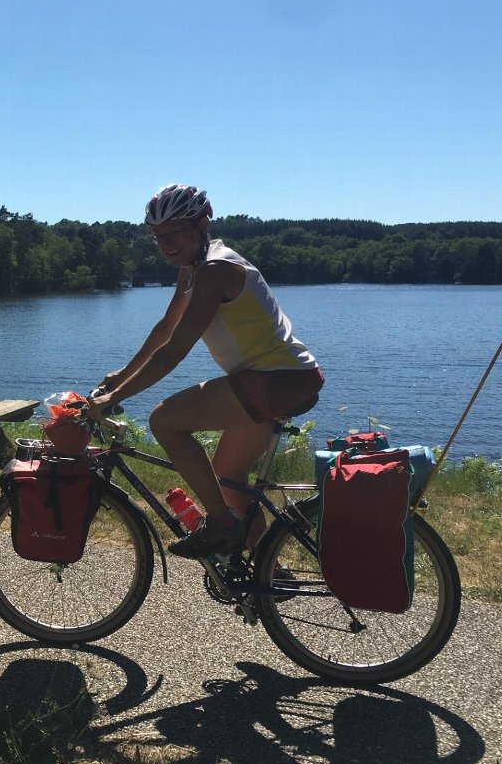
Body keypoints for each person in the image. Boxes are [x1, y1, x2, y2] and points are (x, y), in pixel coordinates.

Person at [87, 184, 324, 558]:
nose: (166, 244)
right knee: (228, 480)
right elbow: (166, 328)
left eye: (175, 232)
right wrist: (122, 373)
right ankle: (266, 570)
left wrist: (117, 397)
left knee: (165, 421)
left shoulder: (216, 269)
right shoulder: (193, 270)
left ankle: (223, 526)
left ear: (202, 224)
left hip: (277, 379)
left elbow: (174, 351)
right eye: (158, 237)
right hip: (275, 379)